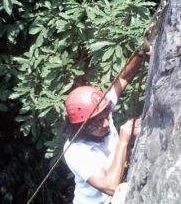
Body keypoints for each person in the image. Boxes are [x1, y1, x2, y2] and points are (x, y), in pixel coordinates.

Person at [63, 48, 149, 204]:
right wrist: (123, 141)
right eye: (98, 122)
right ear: (80, 128)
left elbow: (123, 78)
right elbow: (110, 186)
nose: (106, 124)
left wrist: (139, 54)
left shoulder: (101, 110)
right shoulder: (75, 151)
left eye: (106, 117)